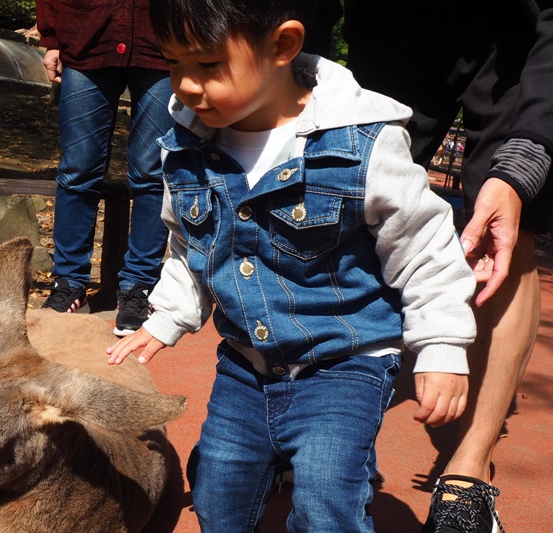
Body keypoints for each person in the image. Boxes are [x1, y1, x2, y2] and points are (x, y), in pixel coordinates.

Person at [106, 0, 478, 530]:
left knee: (328, 497)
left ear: (281, 46)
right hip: (245, 364)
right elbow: (191, 248)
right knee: (217, 492)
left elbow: (425, 249)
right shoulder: (185, 146)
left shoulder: (362, 142)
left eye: (207, 64)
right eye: (172, 63)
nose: (185, 85)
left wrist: (441, 344)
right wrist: (165, 318)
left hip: (345, 361)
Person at [304, 2, 553, 531]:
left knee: (506, 228)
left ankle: (468, 471)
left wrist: (526, 158)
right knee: (353, 202)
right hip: (395, 24)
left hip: (519, 32)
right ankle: (326, 424)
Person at [35, 0, 174, 336]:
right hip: (87, 32)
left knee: (152, 172)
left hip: (163, 37)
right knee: (77, 171)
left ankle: (139, 287)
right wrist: (52, 37)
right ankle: (69, 284)